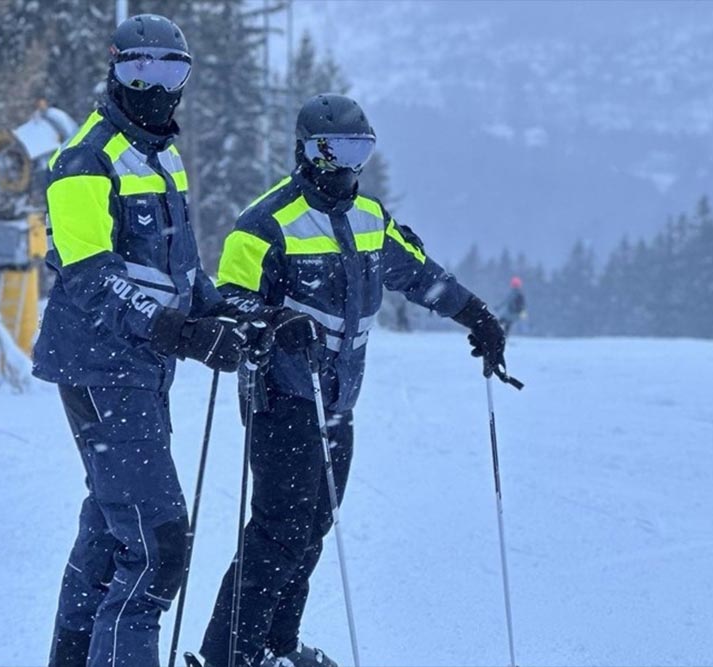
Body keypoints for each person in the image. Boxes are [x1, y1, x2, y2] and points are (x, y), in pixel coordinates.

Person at [196, 94, 511, 667]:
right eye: (335, 150)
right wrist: (275, 321)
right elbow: (228, 302)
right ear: (308, 151)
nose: (347, 165)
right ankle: (229, 656)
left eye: (358, 150)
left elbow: (420, 275)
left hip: (339, 400)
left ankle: (277, 647)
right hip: (284, 397)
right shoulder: (264, 222)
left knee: (315, 526)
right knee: (278, 532)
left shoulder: (370, 218)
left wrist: (478, 316)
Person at [32, 15, 260, 667]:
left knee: (111, 531)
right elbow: (92, 276)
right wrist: (179, 331)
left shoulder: (161, 157)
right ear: (114, 70)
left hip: (138, 364)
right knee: (158, 544)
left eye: (171, 71)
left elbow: (177, 270)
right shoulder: (84, 160)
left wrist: (240, 311)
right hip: (101, 363)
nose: (156, 88)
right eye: (140, 70)